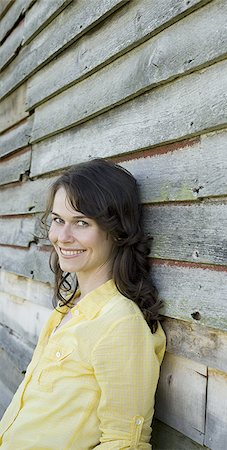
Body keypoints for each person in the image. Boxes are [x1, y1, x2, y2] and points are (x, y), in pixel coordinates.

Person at [0, 158, 166, 449]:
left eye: (81, 223)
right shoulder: (68, 309)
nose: (62, 237)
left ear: (116, 231)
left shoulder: (121, 322)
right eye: (58, 220)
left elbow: (123, 443)